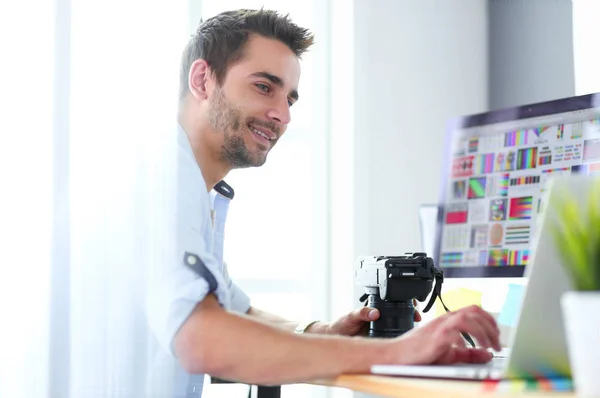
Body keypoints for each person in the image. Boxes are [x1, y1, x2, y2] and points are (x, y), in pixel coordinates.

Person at [148, 8, 501, 397]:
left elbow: (236, 312)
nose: (281, 115)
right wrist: (399, 352)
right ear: (203, 80)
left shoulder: (193, 187)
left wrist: (325, 333)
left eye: (290, 99)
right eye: (264, 87)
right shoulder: (161, 179)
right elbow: (202, 338)